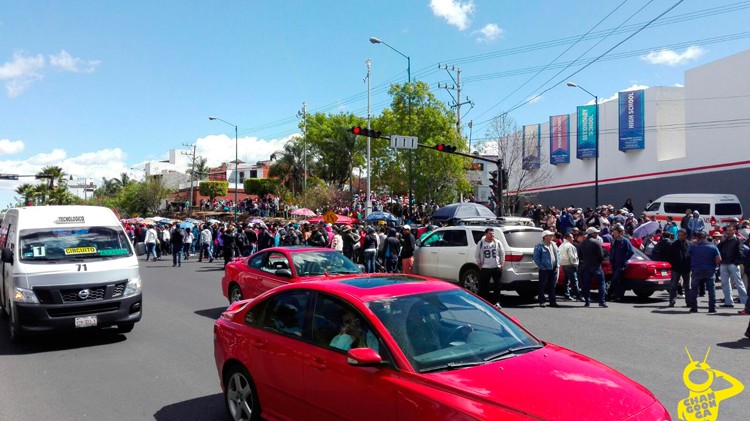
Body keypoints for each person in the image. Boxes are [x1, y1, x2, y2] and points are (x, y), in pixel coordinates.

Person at [687, 231, 720, 313]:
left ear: (697, 238)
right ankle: (712, 308)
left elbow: (688, 255)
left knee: (694, 289)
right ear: (706, 237)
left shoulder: (693, 246)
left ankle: (694, 307)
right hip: (709, 269)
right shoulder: (713, 246)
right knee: (711, 289)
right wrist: (715, 265)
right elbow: (719, 259)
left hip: (697, 269)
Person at [474, 228, 505, 308]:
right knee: (484, 286)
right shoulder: (481, 243)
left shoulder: (497, 242)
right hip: (485, 268)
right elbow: (477, 255)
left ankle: (496, 302)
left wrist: (502, 263)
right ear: (486, 234)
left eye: (493, 234)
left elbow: (502, 253)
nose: (492, 235)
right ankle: (485, 303)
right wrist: (479, 264)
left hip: (496, 267)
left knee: (497, 286)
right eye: (490, 233)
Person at [717, 225, 747, 308]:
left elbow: (741, 252)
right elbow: (717, 249)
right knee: (725, 283)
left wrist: (736, 262)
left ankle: (745, 302)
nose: (728, 232)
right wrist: (722, 242)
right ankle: (728, 302)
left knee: (738, 283)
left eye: (730, 230)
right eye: (727, 230)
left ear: (734, 231)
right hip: (724, 263)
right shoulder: (724, 240)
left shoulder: (737, 240)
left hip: (733, 264)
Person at [579, 227, 608, 308]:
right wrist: (600, 261)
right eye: (596, 233)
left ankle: (587, 301)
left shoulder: (582, 243)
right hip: (596, 266)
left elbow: (580, 256)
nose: (597, 234)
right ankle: (601, 301)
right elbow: (601, 256)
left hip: (586, 266)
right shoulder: (596, 242)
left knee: (586, 284)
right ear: (592, 234)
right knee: (601, 283)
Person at [533, 230, 560, 307]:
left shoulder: (554, 244)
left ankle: (552, 301)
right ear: (545, 236)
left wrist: (557, 264)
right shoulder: (539, 246)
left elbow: (558, 254)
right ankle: (542, 301)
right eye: (550, 235)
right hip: (544, 269)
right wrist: (542, 266)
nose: (552, 237)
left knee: (552, 285)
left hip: (553, 268)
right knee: (542, 285)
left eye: (552, 235)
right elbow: (536, 258)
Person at [609, 224, 635, 301]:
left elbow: (631, 251)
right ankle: (617, 296)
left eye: (615, 232)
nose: (614, 234)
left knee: (615, 279)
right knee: (617, 281)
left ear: (620, 233)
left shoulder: (625, 241)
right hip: (614, 264)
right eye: (613, 232)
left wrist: (623, 260)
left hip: (621, 265)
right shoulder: (614, 241)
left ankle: (609, 295)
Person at [668, 229, 691, 307]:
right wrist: (674, 264)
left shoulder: (689, 244)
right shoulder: (674, 244)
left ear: (685, 236)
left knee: (687, 286)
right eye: (679, 235)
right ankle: (672, 301)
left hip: (687, 268)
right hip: (676, 268)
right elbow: (670, 256)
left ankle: (689, 302)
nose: (680, 237)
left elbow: (692, 255)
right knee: (673, 285)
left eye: (682, 235)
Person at [559, 232, 581, 301]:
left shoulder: (561, 245)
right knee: (574, 281)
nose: (573, 239)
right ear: (568, 238)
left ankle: (567, 294)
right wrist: (576, 265)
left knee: (566, 281)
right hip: (570, 265)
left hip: (564, 265)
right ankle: (578, 296)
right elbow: (573, 257)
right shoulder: (570, 246)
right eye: (572, 237)